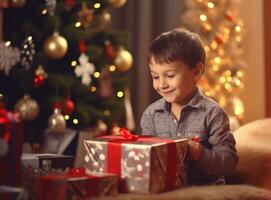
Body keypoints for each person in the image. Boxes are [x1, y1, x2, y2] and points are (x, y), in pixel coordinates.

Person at [140, 28, 238, 185]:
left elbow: (229, 163)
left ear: (196, 72)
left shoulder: (213, 114)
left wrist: (200, 154)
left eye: (170, 75)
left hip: (206, 192)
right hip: (166, 191)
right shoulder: (151, 115)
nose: (161, 84)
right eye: (155, 76)